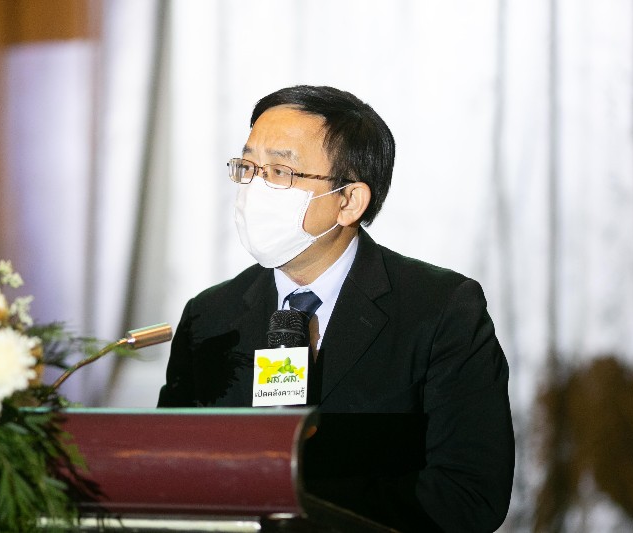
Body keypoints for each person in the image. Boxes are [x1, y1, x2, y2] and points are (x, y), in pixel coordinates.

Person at [157, 85, 514, 532]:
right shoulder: (210, 315)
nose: (254, 188)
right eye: (247, 167)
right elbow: (169, 474)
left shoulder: (441, 309)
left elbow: (469, 492)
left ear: (349, 201)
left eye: (280, 172)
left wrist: (291, 510)